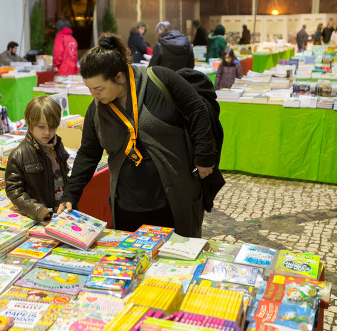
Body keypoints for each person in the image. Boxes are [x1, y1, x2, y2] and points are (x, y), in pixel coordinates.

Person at [56, 33, 222, 237]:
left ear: (119, 76)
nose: (94, 95)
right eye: (89, 88)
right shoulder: (97, 110)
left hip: (173, 200)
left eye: (98, 88)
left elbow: (198, 110)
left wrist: (204, 156)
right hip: (127, 204)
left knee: (176, 257)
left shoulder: (159, 79)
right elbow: (88, 153)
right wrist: (71, 193)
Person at [5, 95, 69, 222]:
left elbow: (65, 174)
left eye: (52, 126)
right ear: (29, 123)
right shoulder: (19, 155)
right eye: (41, 127)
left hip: (63, 211)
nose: (47, 132)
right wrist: (38, 210)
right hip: (40, 216)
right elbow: (14, 191)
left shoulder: (57, 145)